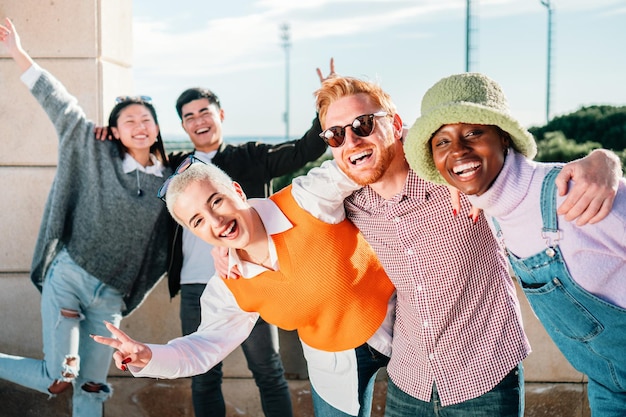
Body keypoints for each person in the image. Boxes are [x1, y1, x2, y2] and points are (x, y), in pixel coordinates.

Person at [280, 73, 621, 416]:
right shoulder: (351, 206)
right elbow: (290, 206)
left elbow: (525, 176)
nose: (351, 140)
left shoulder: (460, 179)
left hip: (484, 378)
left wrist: (603, 160)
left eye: (364, 124)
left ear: (396, 124)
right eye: (336, 134)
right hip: (407, 381)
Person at [92, 157, 396, 417]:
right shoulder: (229, 285)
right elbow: (203, 346)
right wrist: (148, 355)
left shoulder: (305, 200)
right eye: (198, 221)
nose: (216, 221)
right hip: (333, 361)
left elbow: (363, 160)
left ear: (237, 191)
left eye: (216, 201)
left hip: (410, 327)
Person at [403, 72, 626, 415]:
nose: (458, 150)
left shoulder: (578, 192)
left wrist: (606, 159)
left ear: (504, 138)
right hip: (610, 389)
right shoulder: (494, 209)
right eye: (442, 142)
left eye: (473, 133)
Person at [0, 18, 171, 417]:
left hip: (110, 298)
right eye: (128, 120)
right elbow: (60, 104)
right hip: (70, 278)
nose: (139, 126)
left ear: (158, 128)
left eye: (146, 119)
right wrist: (17, 51)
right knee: (57, 377)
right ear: (113, 131)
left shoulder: (171, 181)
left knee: (92, 388)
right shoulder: (94, 152)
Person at [166, 80, 328, 417]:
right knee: (203, 375)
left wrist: (325, 105)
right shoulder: (176, 169)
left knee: (268, 371)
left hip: (251, 280)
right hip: (195, 286)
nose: (199, 121)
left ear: (220, 115)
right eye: (189, 117)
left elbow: (304, 151)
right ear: (183, 126)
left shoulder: (250, 156)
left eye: (204, 112)